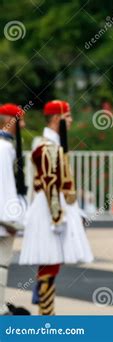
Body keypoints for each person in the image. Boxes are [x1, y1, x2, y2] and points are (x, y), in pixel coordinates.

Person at [20, 100, 93, 315]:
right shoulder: (47, 147)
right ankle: (46, 314)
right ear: (55, 119)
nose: (70, 121)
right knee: (49, 262)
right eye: (67, 117)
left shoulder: (50, 144)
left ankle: (46, 312)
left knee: (51, 262)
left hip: (55, 207)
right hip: (50, 209)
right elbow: (50, 183)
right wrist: (56, 216)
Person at [0, 103, 30, 315]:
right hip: (2, 221)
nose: (25, 124)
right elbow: (5, 187)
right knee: (2, 264)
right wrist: (10, 219)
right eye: (21, 120)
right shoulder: (5, 148)